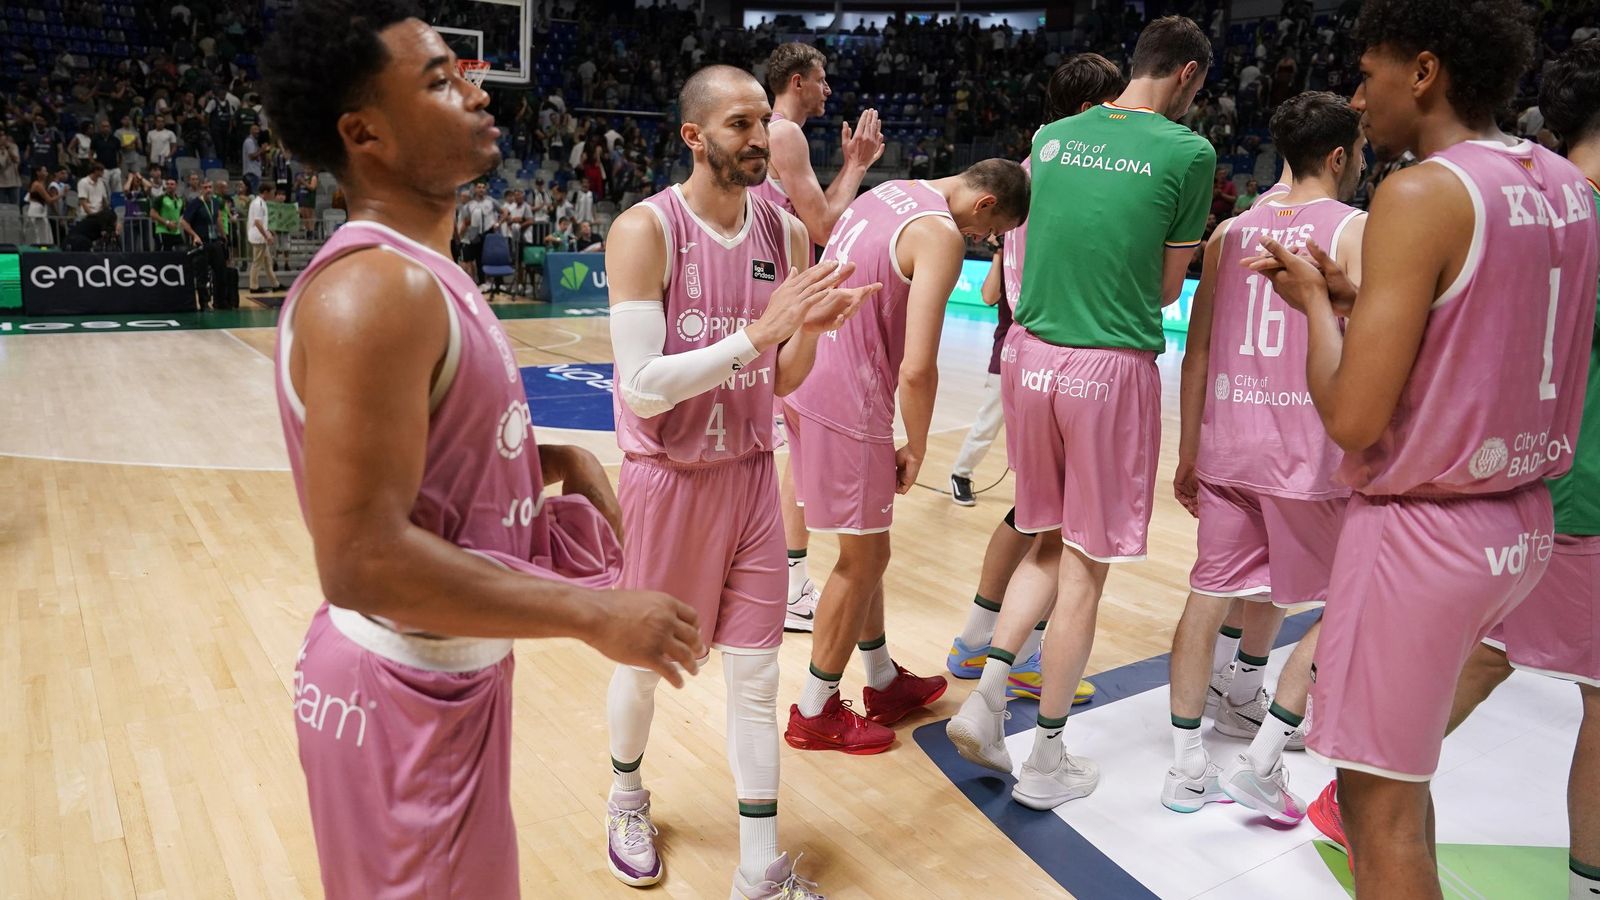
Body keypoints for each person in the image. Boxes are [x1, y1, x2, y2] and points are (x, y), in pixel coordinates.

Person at [259, 3, 704, 897]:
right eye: (438, 80)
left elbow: (425, 462)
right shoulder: (375, 292)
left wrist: (549, 463)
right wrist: (593, 616)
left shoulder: (428, 274)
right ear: (365, 133)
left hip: (442, 678)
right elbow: (360, 560)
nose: (475, 87)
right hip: (395, 691)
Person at [1246, 1, 1596, 894]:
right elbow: (1477, 330)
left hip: (1423, 533)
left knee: (1378, 810)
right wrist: (1361, 299)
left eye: (1369, 75)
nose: (1358, 100)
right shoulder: (1562, 180)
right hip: (1521, 521)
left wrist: (1317, 307)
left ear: (1425, 71)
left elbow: (1354, 418)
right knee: (1407, 778)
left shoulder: (1420, 190)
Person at [603, 64, 872, 899]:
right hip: (667, 480)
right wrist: (759, 335)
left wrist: (811, 331)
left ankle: (759, 872)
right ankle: (624, 797)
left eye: (764, 122)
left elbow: (783, 378)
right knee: (644, 664)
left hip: (754, 478)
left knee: (756, 679)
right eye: (740, 124)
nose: (760, 139)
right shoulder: (646, 230)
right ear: (694, 136)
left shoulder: (784, 233)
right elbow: (642, 384)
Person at [943, 16, 1216, 812]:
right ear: (1189, 75)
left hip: (1029, 359)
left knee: (1046, 540)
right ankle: (1046, 758)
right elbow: (1168, 291)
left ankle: (988, 697)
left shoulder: (1052, 139)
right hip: (1107, 367)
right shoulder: (1189, 152)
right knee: (1086, 570)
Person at [1166, 91, 1369, 819]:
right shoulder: (1353, 230)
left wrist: (1190, 448)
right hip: (1309, 454)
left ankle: (1187, 763)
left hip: (1229, 443)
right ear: (1341, 155)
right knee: (1351, 600)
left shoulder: (1229, 233)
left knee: (1208, 593)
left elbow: (1197, 352)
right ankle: (1263, 756)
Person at [783, 161, 1029, 755]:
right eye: (987, 234)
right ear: (986, 204)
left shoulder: (891, 191)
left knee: (867, 550)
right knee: (861, 561)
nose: (979, 242)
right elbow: (918, 367)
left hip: (803, 373)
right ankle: (815, 710)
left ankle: (884, 681)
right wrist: (916, 445)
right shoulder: (940, 233)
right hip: (848, 401)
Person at [944, 54, 1125, 712]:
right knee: (1062, 529)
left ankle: (974, 640)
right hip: (1068, 358)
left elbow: (1000, 277)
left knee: (1030, 512)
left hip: (1022, 355)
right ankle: (1022, 659)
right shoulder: (1084, 175)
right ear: (1089, 109)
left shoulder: (1023, 170)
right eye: (1113, 107)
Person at [753, 42, 890, 632]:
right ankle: (784, 585)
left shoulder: (775, 133)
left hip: (772, 288)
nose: (828, 89)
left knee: (781, 449)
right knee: (775, 449)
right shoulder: (783, 133)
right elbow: (827, 225)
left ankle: (782, 580)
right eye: (822, 79)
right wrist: (858, 164)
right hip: (774, 295)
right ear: (797, 80)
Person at [179, 179, 229, 310]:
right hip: (202, 242)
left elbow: (218, 218)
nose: (208, 190)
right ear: (201, 189)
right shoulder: (195, 203)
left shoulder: (215, 202)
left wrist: (223, 235)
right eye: (205, 187)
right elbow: (184, 222)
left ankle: (220, 301)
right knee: (202, 274)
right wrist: (194, 235)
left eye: (210, 187)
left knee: (220, 271)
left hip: (214, 241)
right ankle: (204, 303)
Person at [457, 181, 497, 286]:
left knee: (492, 258)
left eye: (483, 187)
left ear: (486, 190)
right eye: (479, 187)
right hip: (476, 234)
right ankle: (481, 282)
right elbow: (466, 222)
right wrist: (461, 235)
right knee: (478, 259)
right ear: (475, 189)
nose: (481, 189)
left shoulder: (491, 201)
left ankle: (495, 283)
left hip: (489, 233)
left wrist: (498, 223)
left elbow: (504, 212)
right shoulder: (469, 205)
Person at [248, 183, 281, 292]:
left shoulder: (261, 203)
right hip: (258, 238)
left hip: (260, 237)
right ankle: (253, 286)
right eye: (272, 193)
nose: (273, 195)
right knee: (257, 262)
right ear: (266, 192)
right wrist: (267, 235)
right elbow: (257, 222)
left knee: (268, 262)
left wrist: (268, 231)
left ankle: (275, 284)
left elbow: (261, 222)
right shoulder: (258, 204)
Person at [25, 167, 59, 245]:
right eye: (44, 171)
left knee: (44, 231)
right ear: (38, 172)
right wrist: (61, 194)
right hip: (36, 209)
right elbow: (49, 200)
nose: (46, 173)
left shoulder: (43, 184)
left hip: (42, 209)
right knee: (38, 232)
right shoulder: (37, 185)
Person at [151, 177, 185, 251]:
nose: (169, 186)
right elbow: (153, 214)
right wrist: (167, 222)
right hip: (163, 231)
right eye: (168, 184)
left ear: (176, 186)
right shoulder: (160, 198)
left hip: (176, 232)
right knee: (164, 253)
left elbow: (181, 214)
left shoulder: (180, 200)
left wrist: (179, 222)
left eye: (172, 184)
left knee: (182, 251)